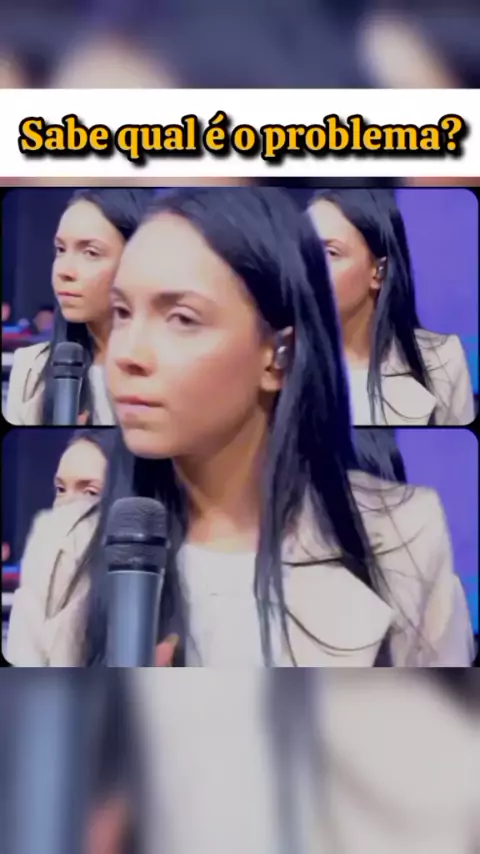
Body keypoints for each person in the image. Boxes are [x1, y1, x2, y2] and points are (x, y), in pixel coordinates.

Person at [6, 187, 474, 667]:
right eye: (123, 312)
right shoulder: (63, 554)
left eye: (181, 318)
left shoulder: (403, 544)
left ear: (279, 354)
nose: (128, 354)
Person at [308, 189, 475, 425]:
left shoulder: (441, 359)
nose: (309, 265)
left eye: (330, 252)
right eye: (304, 249)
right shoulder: (275, 359)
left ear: (379, 271)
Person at [5, 188, 154, 426]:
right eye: (60, 250)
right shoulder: (32, 369)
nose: (64, 271)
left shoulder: (173, 370)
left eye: (90, 253)